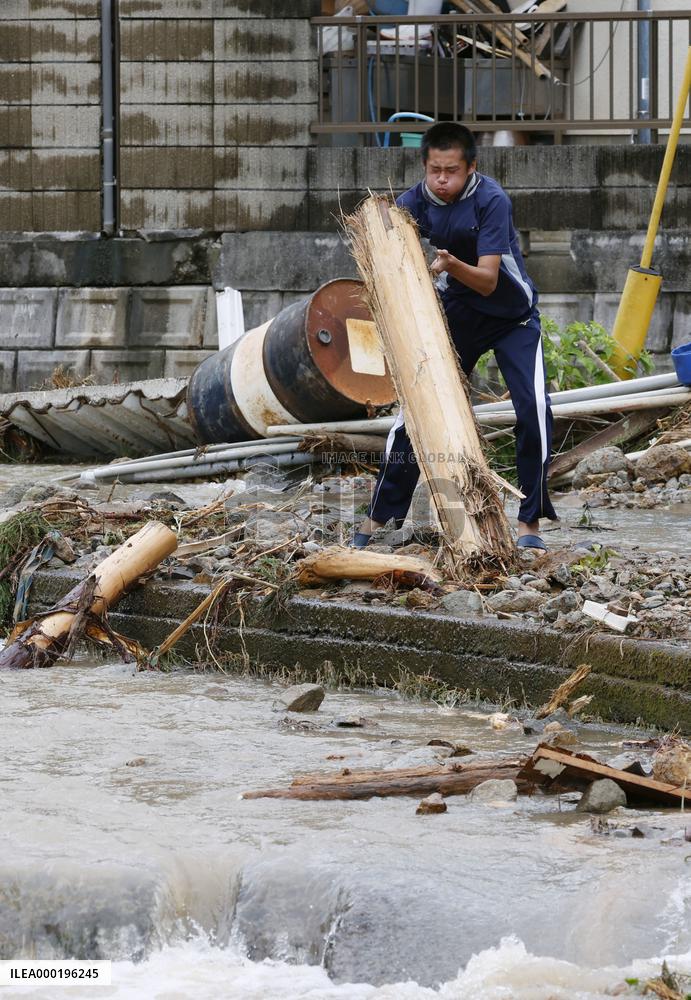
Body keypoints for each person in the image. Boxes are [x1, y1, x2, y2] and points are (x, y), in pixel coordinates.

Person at [353, 121, 557, 550]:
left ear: (471, 168)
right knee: (413, 412)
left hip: (512, 317)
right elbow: (385, 227)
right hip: (458, 316)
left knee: (533, 408)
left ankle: (530, 525)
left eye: (451, 171)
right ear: (425, 167)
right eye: (434, 170)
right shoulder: (415, 201)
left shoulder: (491, 200)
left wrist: (447, 264)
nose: (442, 180)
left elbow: (486, 279)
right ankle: (378, 520)